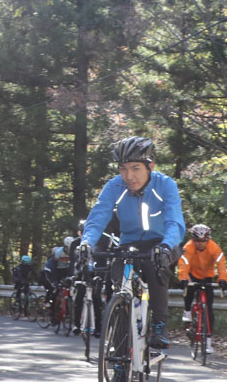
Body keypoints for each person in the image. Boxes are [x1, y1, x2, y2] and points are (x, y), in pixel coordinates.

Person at [76, 136, 184, 362]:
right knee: (120, 287)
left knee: (157, 268)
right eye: (123, 169)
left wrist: (166, 245)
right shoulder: (114, 186)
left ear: (150, 166)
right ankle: (119, 354)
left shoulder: (165, 185)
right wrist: (86, 242)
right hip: (129, 244)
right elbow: (98, 217)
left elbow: (175, 221)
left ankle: (159, 323)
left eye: (135, 168)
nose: (128, 176)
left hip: (162, 241)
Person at [177, 223, 227, 352]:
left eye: (203, 241)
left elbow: (221, 264)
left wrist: (223, 279)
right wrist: (183, 278)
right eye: (197, 241)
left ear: (207, 240)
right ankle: (187, 311)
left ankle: (209, 343)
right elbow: (184, 263)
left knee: (209, 309)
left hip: (207, 276)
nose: (200, 244)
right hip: (192, 274)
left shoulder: (214, 248)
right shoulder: (188, 247)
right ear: (193, 240)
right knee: (189, 289)